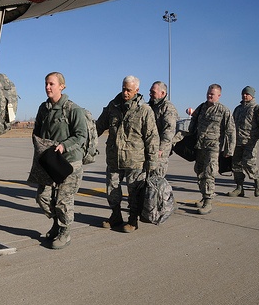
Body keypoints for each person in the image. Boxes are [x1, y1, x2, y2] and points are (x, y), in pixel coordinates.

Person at [96, 75, 159, 232]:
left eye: (129, 90)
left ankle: (132, 220)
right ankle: (116, 216)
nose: (125, 93)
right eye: (123, 89)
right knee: (112, 189)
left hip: (135, 160)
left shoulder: (144, 110)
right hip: (114, 158)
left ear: (137, 90)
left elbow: (152, 137)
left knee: (134, 191)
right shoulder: (113, 106)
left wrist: (152, 162)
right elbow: (99, 126)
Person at [31, 72, 87, 249]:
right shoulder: (43, 108)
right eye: (46, 84)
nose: (48, 87)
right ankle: (56, 223)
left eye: (51, 84)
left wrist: (64, 145)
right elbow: (37, 131)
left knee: (64, 200)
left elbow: (81, 136)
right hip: (50, 161)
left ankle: (65, 232)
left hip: (69, 162)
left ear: (62, 86)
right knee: (43, 197)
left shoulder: (73, 109)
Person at [189, 84, 235, 214]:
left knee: (209, 173)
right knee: (199, 171)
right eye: (208, 93)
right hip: (200, 146)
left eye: (212, 94)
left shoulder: (223, 110)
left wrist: (229, 150)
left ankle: (208, 202)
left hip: (213, 147)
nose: (209, 96)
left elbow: (231, 131)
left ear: (218, 96)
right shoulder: (202, 107)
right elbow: (193, 121)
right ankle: (204, 196)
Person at [227, 86, 259, 197]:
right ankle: (239, 188)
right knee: (236, 165)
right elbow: (231, 125)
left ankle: (258, 182)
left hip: (250, 143)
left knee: (249, 163)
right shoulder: (238, 109)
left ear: (252, 95)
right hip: (237, 142)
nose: (244, 95)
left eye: (247, 94)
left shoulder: (258, 109)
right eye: (243, 94)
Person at [148, 81, 179, 177]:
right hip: (149, 147)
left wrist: (161, 149)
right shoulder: (150, 106)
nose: (150, 94)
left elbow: (169, 130)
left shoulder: (168, 108)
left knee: (156, 179)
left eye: (153, 92)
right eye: (150, 92)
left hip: (159, 152)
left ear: (162, 93)